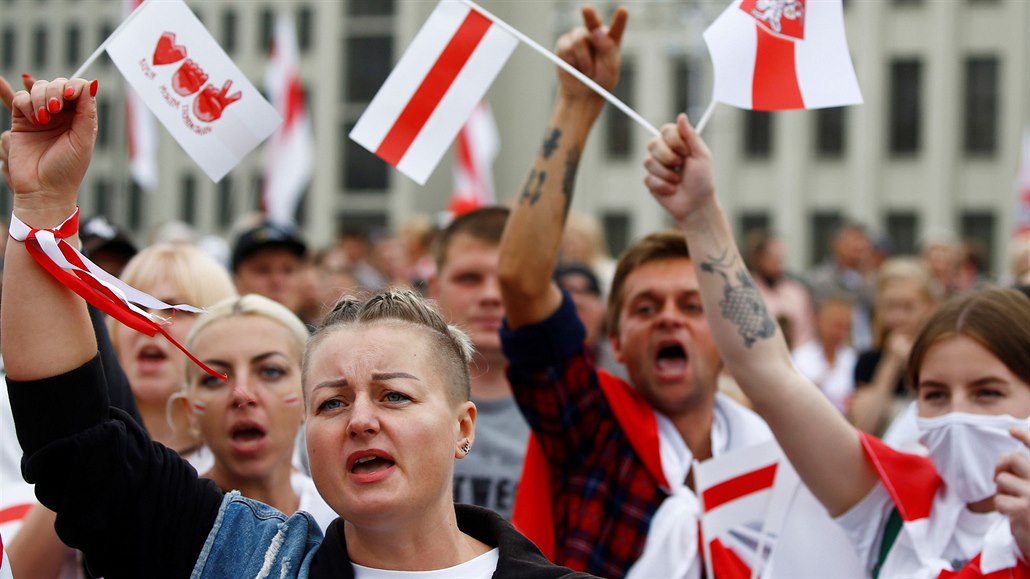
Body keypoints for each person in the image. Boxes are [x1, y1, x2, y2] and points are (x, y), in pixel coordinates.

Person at [2, 76, 593, 578]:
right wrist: (45, 203)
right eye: (332, 403)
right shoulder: (247, 559)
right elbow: (79, 453)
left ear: (463, 426)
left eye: (394, 395)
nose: (361, 420)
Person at [497, 7, 860, 578]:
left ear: (725, 334)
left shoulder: (783, 452)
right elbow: (521, 282)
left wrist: (702, 211)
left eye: (693, 306)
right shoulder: (590, 426)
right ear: (615, 337)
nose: (669, 319)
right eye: (646, 307)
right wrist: (577, 103)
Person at [644, 113, 1030, 578]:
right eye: (935, 395)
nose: (956, 413)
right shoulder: (894, 508)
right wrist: (701, 214)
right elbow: (769, 375)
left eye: (987, 392)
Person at [180, 294, 336, 531]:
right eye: (214, 378)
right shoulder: (165, 525)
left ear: (310, 395)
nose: (242, 394)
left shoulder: (344, 520)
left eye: (271, 371)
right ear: (189, 409)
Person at [430, 207, 529, 520]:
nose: (490, 295)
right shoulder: (383, 400)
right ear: (434, 289)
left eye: (508, 279)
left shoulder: (580, 413)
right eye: (469, 278)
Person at [112, 243, 238, 463]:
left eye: (175, 309)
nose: (149, 321)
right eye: (134, 307)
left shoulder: (249, 466)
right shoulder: (73, 451)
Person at [849, 257, 937, 436]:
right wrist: (891, 362)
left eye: (908, 307)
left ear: (928, 307)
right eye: (891, 306)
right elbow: (863, 427)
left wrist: (913, 364)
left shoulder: (939, 357)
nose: (898, 316)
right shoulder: (868, 360)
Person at [807, 221, 876, 350]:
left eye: (862, 240)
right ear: (836, 244)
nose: (859, 246)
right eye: (853, 240)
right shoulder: (820, 281)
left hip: (869, 348)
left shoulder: (874, 278)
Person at [743, 229, 816, 349]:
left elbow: (806, 332)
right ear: (757, 258)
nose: (777, 262)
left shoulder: (796, 291)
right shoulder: (745, 292)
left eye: (780, 257)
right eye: (771, 256)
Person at [790, 295, 856, 414]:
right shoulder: (800, 356)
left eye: (847, 327)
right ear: (819, 321)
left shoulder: (852, 358)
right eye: (837, 325)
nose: (840, 332)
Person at [231, 220, 308, 315]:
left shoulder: (322, 329)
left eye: (288, 270)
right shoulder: (217, 329)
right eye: (263, 270)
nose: (277, 281)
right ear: (237, 279)